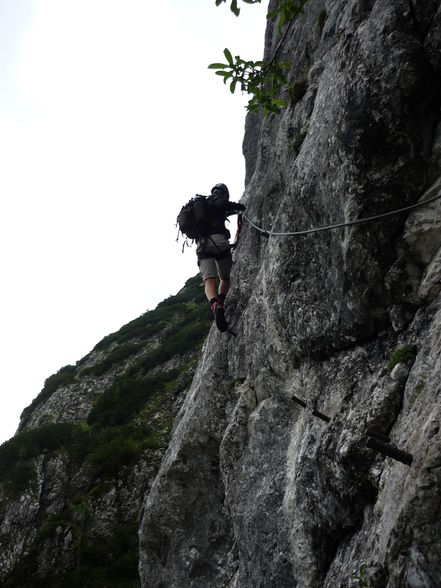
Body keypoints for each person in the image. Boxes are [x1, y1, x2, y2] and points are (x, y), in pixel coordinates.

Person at [196, 183, 245, 332]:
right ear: (224, 193)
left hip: (202, 245)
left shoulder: (203, 205)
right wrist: (241, 207)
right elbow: (230, 206)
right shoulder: (220, 200)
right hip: (218, 241)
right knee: (225, 278)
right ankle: (221, 300)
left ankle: (214, 304)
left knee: (209, 281)